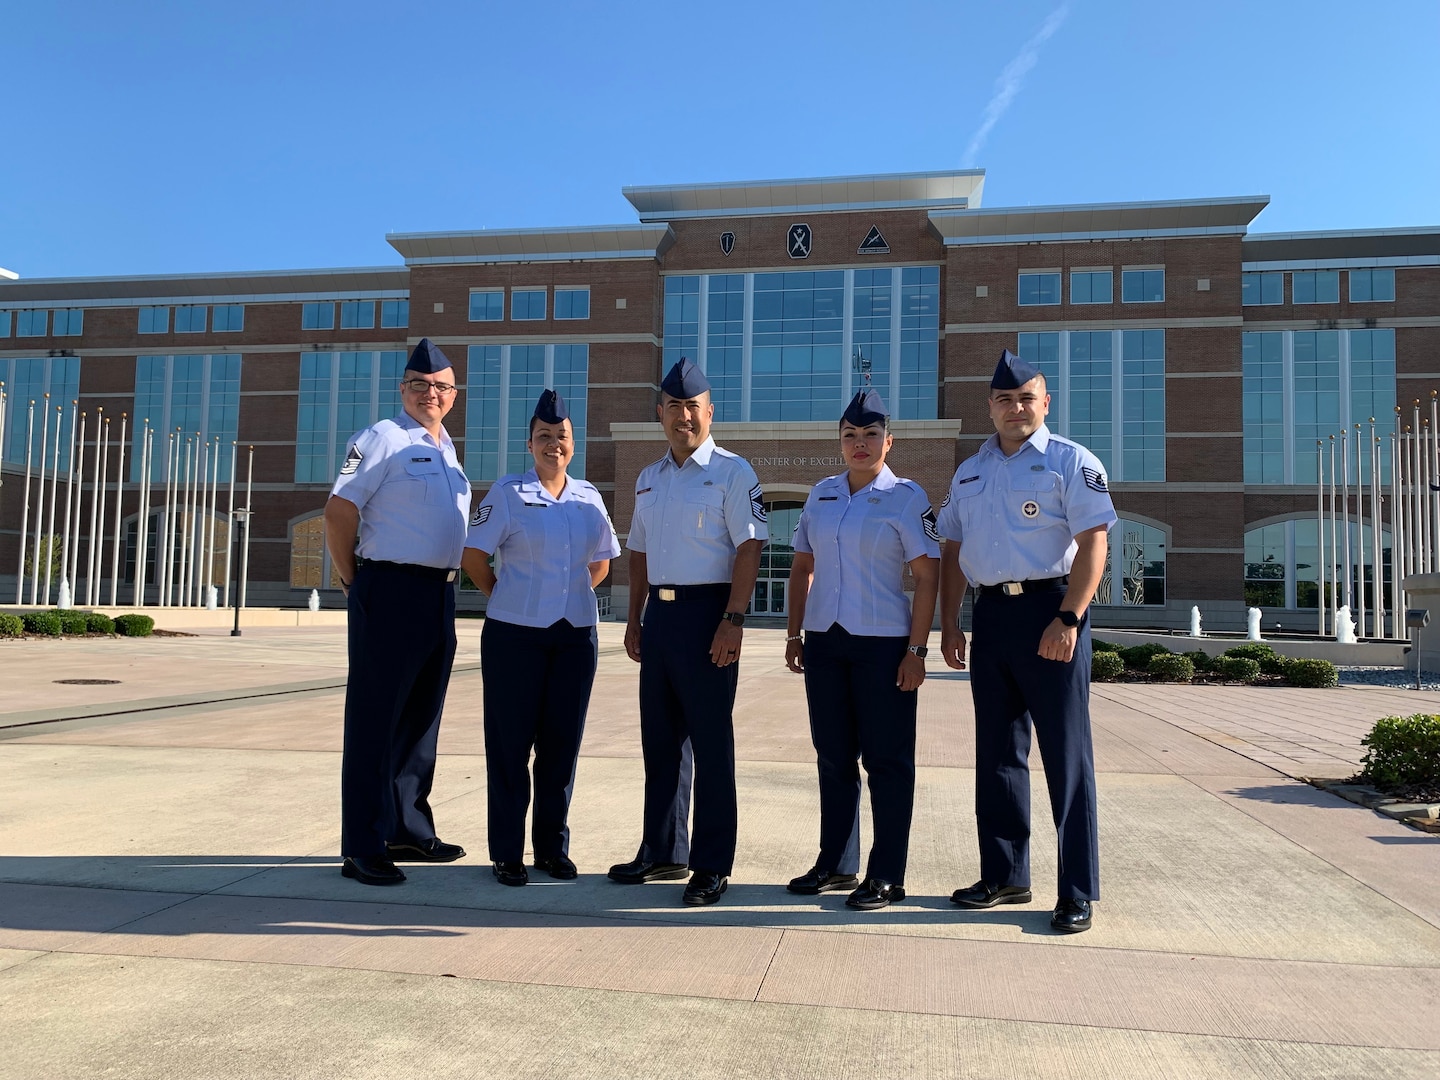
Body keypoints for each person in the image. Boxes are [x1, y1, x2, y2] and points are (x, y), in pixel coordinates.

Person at [936, 349, 1116, 932]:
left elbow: (1094, 544)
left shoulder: (1072, 462)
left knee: (1066, 757)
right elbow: (953, 550)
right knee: (997, 755)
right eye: (1005, 400)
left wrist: (1069, 618)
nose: (1016, 408)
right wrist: (951, 620)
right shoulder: (970, 471)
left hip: (1051, 612)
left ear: (1045, 402)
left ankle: (1076, 890)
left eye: (1027, 398)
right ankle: (1005, 875)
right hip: (992, 618)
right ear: (989, 407)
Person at [609, 358, 768, 906]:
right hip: (661, 617)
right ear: (661, 413)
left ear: (709, 412)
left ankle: (711, 863)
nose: (683, 417)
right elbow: (638, 552)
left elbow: (750, 546)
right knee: (661, 743)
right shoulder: (649, 478)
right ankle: (662, 850)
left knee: (711, 743)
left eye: (692, 407)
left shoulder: (732, 471)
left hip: (709, 616)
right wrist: (634, 618)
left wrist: (734, 618)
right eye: (674, 408)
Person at [783, 388, 939, 910]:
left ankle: (887, 873)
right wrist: (794, 633)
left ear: (888, 442)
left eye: (871, 435)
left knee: (887, 761)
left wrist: (917, 650)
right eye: (850, 435)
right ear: (840, 442)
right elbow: (802, 566)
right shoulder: (821, 495)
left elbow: (926, 574)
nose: (860, 444)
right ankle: (835, 863)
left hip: (883, 645)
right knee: (832, 756)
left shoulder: (907, 497)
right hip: (826, 643)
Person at [325, 338, 472, 886]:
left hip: (438, 595)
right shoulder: (382, 438)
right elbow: (339, 511)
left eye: (440, 387)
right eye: (420, 385)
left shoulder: (447, 451)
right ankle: (362, 843)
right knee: (373, 721)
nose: (430, 394)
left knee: (419, 719)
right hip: (387, 590)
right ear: (403, 389)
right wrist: (352, 582)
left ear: (453, 396)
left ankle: (407, 826)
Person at [460, 389, 619, 887]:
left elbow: (602, 562)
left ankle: (552, 847)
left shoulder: (588, 497)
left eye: (562, 437)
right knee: (510, 747)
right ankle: (507, 852)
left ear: (574, 444)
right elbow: (473, 557)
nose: (554, 445)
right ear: (529, 444)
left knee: (561, 746)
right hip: (514, 637)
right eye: (545, 437)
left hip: (574, 636)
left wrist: (565, 594)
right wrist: (508, 594)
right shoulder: (508, 493)